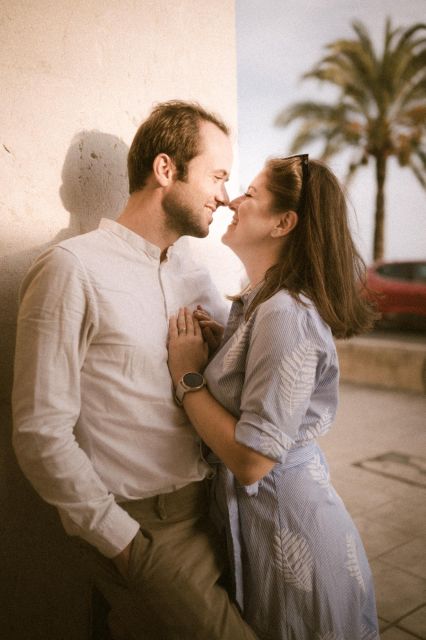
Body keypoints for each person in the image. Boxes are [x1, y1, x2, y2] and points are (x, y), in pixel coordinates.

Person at [12, 101, 257, 640]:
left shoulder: (195, 272)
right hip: (147, 529)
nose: (224, 194)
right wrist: (123, 544)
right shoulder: (70, 270)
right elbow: (39, 431)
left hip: (218, 512)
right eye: (217, 175)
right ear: (166, 170)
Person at [167, 155, 380, 640]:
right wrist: (226, 347)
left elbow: (253, 461)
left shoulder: (285, 312)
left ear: (283, 223)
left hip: (296, 541)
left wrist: (188, 377)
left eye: (251, 194)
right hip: (275, 533)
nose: (232, 201)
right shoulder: (263, 303)